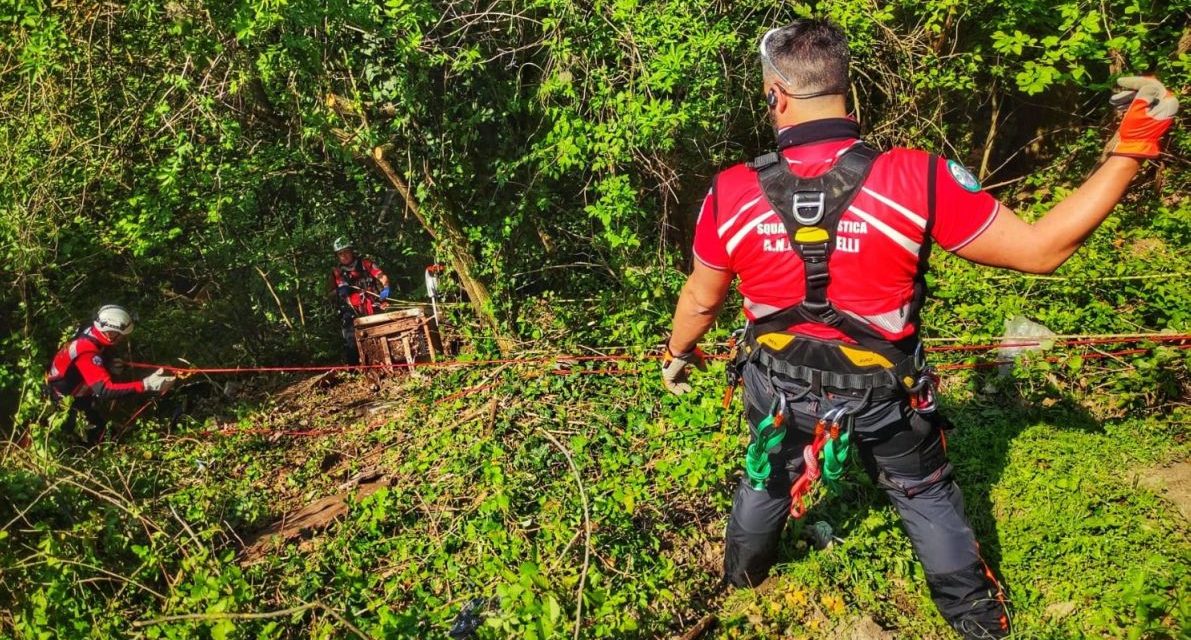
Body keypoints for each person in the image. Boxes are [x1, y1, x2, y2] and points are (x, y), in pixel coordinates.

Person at [660, 19, 1176, 640]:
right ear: (843, 87)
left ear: (776, 95)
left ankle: (741, 586)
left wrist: (678, 352)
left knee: (767, 472)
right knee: (925, 493)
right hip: (886, 395)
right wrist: (1132, 147)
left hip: (778, 389)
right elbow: (1043, 250)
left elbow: (699, 299)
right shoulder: (918, 177)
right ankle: (980, 625)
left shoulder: (730, 191)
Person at [45, 305, 176, 444]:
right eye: (121, 336)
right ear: (110, 332)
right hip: (64, 405)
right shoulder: (86, 350)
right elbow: (105, 390)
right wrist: (145, 385)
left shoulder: (91, 332)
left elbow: (87, 365)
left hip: (74, 397)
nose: (122, 339)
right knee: (98, 441)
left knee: (105, 433)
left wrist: (108, 365)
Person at [328, 237, 391, 364]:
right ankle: (355, 369)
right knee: (351, 340)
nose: (344, 256)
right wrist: (340, 291)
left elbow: (382, 276)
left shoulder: (365, 264)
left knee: (385, 330)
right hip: (351, 311)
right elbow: (330, 293)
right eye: (340, 254)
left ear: (351, 251)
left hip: (372, 305)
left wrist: (386, 288)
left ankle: (388, 360)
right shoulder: (336, 272)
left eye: (346, 252)